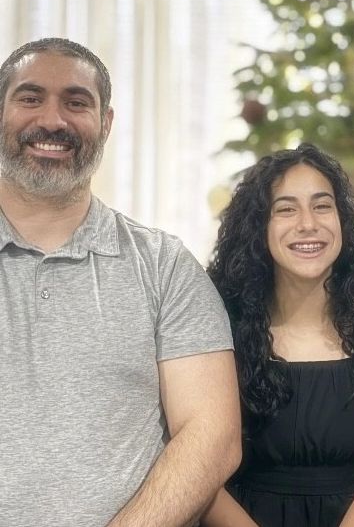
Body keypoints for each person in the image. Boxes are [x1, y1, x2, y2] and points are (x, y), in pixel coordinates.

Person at [0, 38, 240, 526]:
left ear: (105, 123)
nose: (53, 120)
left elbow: (213, 436)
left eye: (76, 102)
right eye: (30, 97)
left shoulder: (165, 266)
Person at [203, 143, 354, 527]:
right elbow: (199, 470)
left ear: (343, 220)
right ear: (258, 227)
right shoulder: (217, 336)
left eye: (322, 206)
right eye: (286, 209)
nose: (308, 223)